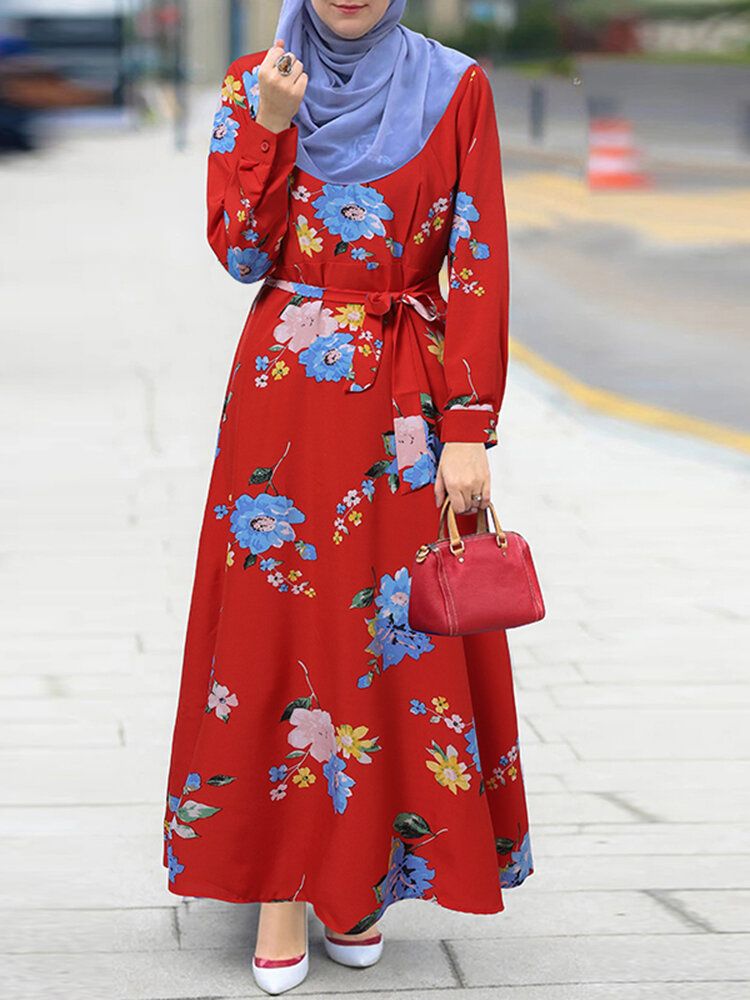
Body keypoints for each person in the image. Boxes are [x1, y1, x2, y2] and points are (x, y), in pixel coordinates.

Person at [162, 1, 533, 994]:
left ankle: (360, 881)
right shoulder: (256, 80)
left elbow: (479, 260)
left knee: (389, 634)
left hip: (407, 402)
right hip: (284, 402)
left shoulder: (457, 87)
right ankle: (283, 889)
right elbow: (242, 254)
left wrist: (467, 425)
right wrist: (273, 130)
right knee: (278, 633)